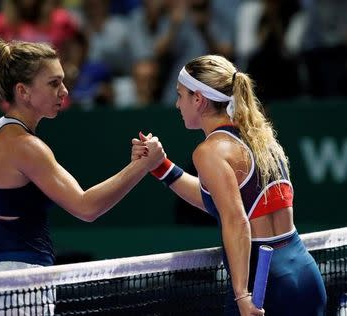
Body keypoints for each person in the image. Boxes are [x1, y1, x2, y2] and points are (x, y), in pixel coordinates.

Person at [0, 39, 165, 282]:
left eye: (62, 81)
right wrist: (142, 166)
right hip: (26, 283)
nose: (64, 91)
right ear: (23, 91)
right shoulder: (28, 147)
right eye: (53, 83)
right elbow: (87, 207)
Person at [132, 55, 327, 315]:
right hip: (304, 274)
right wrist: (160, 166)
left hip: (264, 285)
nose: (177, 104)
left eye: (180, 95)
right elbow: (218, 201)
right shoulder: (259, 138)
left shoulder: (210, 151)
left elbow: (236, 221)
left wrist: (242, 295)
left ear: (198, 100)